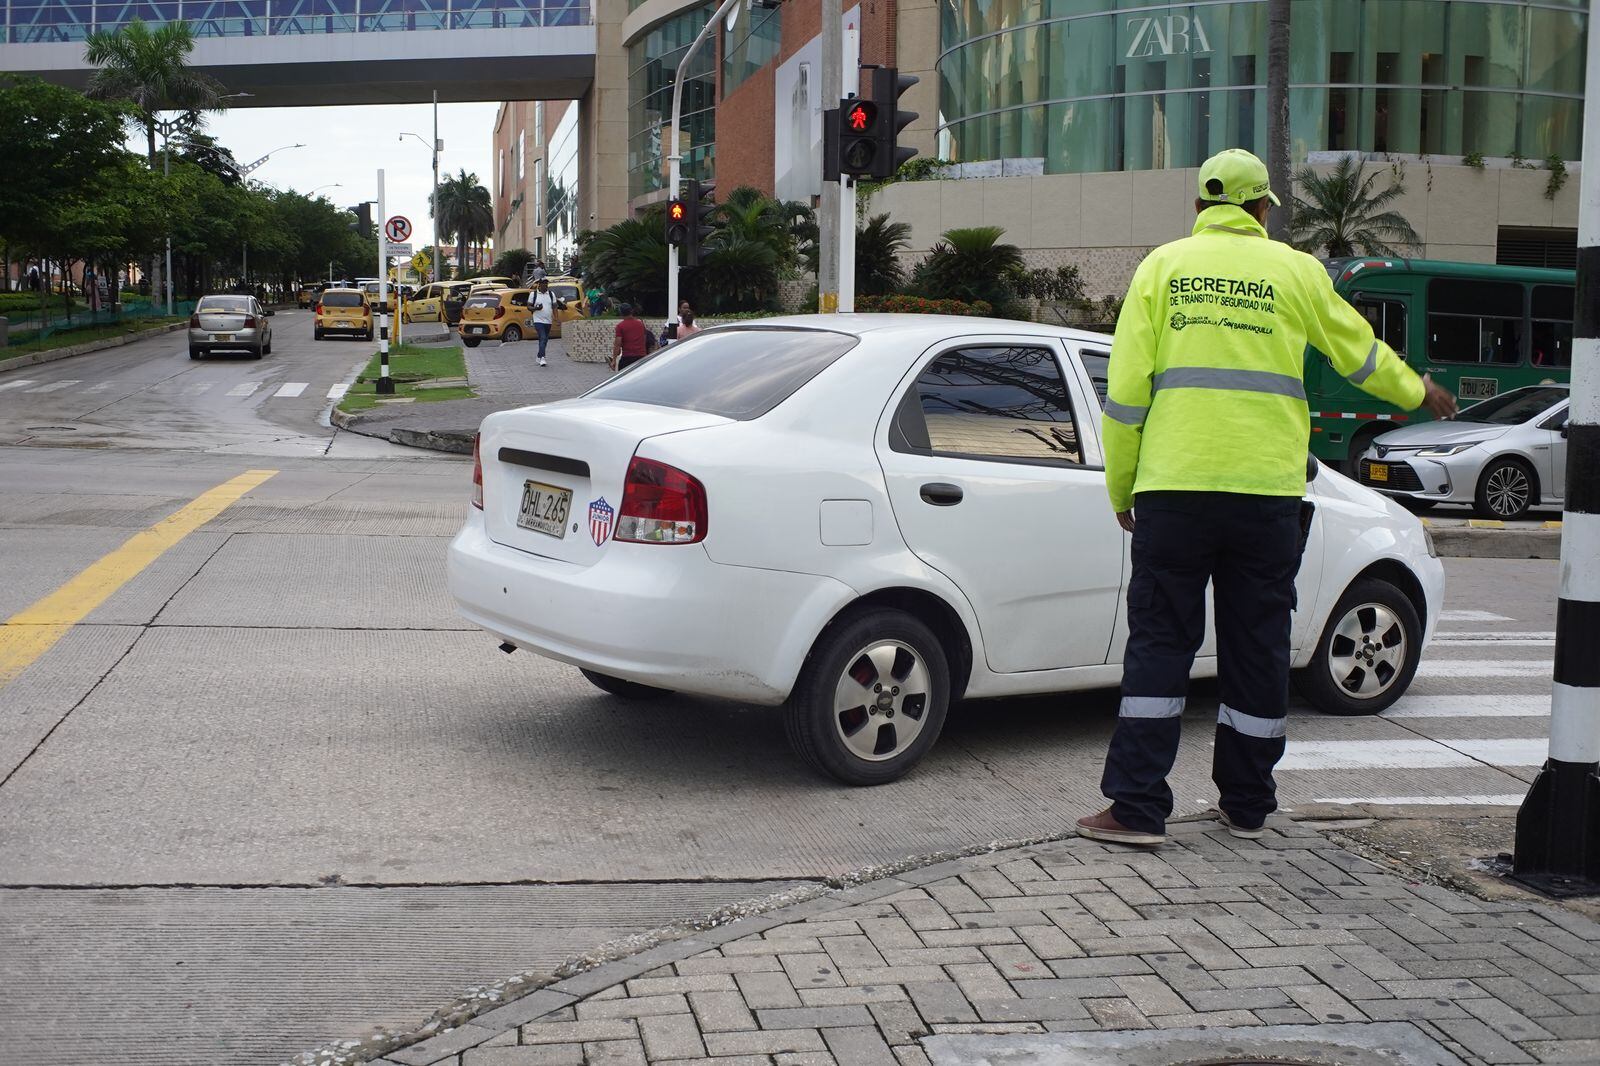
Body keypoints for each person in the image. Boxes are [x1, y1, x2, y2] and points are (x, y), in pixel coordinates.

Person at [1077, 148, 1458, 848]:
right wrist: (1417, 391)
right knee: (1257, 646)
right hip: (1266, 496)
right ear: (1261, 211)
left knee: (1161, 642)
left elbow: (1126, 395)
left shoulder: (1162, 268)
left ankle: (1136, 809)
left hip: (1175, 488)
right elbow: (1359, 352)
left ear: (1199, 208)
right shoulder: (1296, 271)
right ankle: (1248, 803)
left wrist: (1122, 487)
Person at [610, 304, 656, 371]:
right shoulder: (640, 324)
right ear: (631, 311)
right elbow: (644, 339)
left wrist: (614, 360)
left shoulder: (620, 326)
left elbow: (617, 344)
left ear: (621, 313)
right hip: (641, 357)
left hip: (628, 358)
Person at [529, 277, 562, 367]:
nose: (545, 285)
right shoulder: (533, 294)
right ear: (539, 285)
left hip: (548, 321)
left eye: (546, 284)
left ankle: (539, 355)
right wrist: (536, 308)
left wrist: (556, 318)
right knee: (543, 337)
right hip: (538, 320)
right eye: (543, 284)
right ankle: (543, 358)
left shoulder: (551, 294)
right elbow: (528, 307)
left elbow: (554, 307)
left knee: (545, 339)